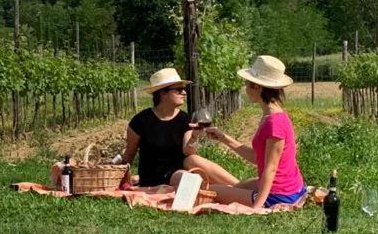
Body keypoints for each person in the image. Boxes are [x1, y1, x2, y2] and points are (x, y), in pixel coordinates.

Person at [204, 55, 306, 209]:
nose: (245, 89)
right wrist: (224, 138)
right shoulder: (273, 115)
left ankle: (260, 200)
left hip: (280, 194)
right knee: (237, 186)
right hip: (290, 187)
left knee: (212, 191)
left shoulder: (274, 123)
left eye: (247, 84)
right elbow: (258, 157)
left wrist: (257, 207)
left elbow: (270, 169)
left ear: (257, 87)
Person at [120, 68, 237, 187]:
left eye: (184, 89)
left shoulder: (185, 119)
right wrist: (117, 176)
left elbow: (188, 151)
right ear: (163, 93)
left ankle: (239, 186)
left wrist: (194, 137)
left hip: (179, 170)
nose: (184, 93)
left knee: (193, 160)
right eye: (179, 89)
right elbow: (129, 154)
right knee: (189, 180)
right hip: (153, 177)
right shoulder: (141, 121)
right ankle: (229, 191)